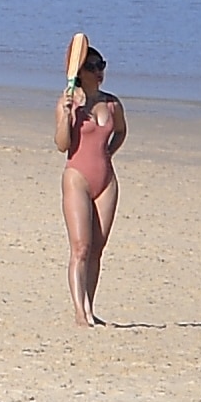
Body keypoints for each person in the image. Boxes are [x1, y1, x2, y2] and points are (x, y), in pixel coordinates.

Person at [54, 35, 124, 327]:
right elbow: (61, 145)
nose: (99, 71)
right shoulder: (68, 102)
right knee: (80, 247)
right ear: (79, 72)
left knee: (97, 247)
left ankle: (90, 308)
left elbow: (120, 132)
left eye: (101, 65)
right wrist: (66, 116)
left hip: (105, 178)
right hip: (77, 177)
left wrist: (108, 153)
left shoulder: (111, 104)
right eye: (93, 66)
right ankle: (79, 313)